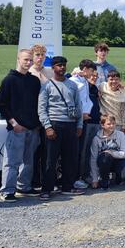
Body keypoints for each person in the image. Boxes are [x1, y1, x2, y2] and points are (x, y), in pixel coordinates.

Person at [0, 48, 42, 201]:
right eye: (25, 60)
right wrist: (14, 123)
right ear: (18, 59)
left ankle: (24, 187)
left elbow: (39, 104)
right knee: (12, 161)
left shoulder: (34, 81)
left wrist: (37, 124)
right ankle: (8, 190)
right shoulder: (9, 80)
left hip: (32, 128)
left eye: (30, 60)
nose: (28, 62)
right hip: (17, 129)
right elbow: (1, 103)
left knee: (28, 161)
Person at [37, 56, 85, 200]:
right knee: (50, 159)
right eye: (59, 65)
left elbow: (79, 106)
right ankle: (46, 189)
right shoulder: (47, 86)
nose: (62, 68)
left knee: (70, 158)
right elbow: (41, 108)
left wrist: (79, 125)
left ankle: (67, 186)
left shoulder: (72, 85)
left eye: (64, 65)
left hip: (71, 125)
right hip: (54, 125)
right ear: (53, 68)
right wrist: (47, 127)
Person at [69, 59, 95, 189]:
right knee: (74, 151)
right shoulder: (73, 80)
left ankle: (77, 178)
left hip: (84, 120)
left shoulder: (83, 80)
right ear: (84, 69)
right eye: (91, 70)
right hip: (76, 120)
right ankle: (71, 179)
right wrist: (81, 114)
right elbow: (73, 101)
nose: (92, 73)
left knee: (80, 151)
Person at [28, 43, 50, 192]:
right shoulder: (29, 72)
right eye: (37, 55)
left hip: (48, 116)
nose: (40, 58)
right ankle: (33, 181)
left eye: (42, 55)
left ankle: (45, 181)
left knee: (46, 151)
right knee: (33, 151)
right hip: (34, 116)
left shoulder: (49, 72)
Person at [90, 114, 125, 189]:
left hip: (117, 160)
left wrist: (112, 153)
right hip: (104, 162)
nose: (112, 126)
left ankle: (118, 177)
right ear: (102, 125)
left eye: (113, 123)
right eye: (109, 124)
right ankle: (104, 180)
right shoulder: (96, 139)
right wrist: (95, 179)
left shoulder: (120, 135)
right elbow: (93, 159)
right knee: (105, 156)